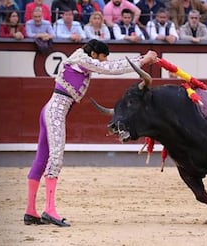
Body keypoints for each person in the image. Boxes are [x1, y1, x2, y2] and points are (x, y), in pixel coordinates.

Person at [23, 39, 158, 227]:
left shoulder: (79, 59)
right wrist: (143, 60)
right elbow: (111, 68)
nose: (103, 62)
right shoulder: (82, 59)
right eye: (102, 58)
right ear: (94, 54)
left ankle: (31, 211)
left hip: (51, 109)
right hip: (55, 111)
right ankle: (49, 210)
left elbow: (107, 66)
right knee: (55, 158)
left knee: (42, 158)